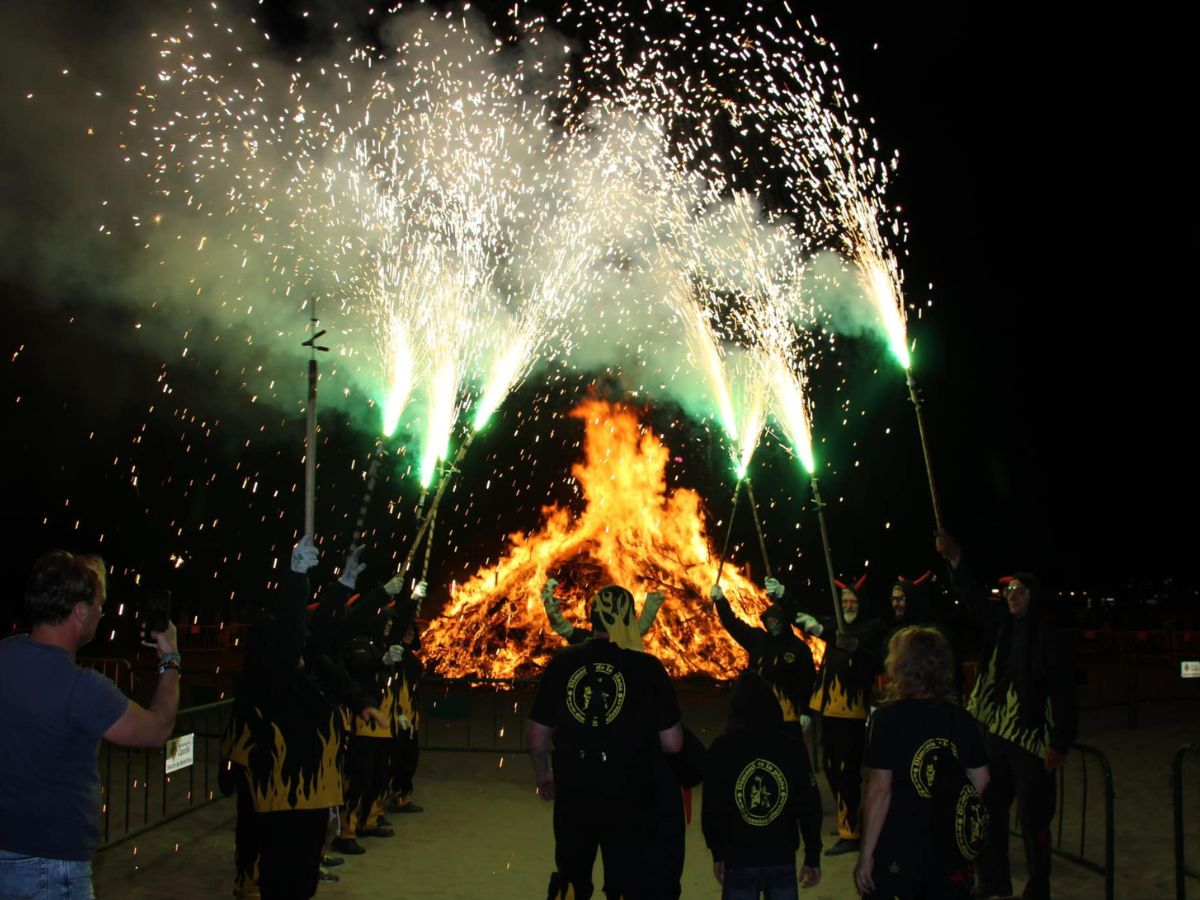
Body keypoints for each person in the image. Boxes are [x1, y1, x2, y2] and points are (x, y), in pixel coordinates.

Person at [0, 551, 180, 899]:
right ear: (79, 612)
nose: (102, 613)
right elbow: (157, 730)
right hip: (51, 866)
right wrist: (170, 657)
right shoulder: (82, 687)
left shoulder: (4, 653)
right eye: (98, 604)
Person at [937, 534, 1078, 900]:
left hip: (1031, 742)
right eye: (1008, 590)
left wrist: (1059, 742)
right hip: (996, 736)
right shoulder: (1001, 627)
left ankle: (1038, 886)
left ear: (1034, 598)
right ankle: (995, 880)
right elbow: (972, 600)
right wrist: (956, 561)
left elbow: (1064, 694)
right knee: (988, 811)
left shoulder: (1050, 639)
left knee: (1034, 821)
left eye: (1019, 591)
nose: (1011, 595)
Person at [527, 583, 684, 900]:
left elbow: (536, 735)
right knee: (625, 878)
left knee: (571, 876)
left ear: (592, 616)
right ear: (629, 618)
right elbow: (673, 744)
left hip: (574, 786)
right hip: (629, 790)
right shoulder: (647, 667)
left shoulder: (563, 661)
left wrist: (544, 773)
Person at [221, 536, 348, 900]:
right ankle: (248, 880)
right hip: (275, 785)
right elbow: (295, 634)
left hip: (310, 793)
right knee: (263, 846)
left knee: (301, 870)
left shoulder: (308, 673)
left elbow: (321, 629)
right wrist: (296, 579)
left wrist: (345, 587)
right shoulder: (270, 678)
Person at [854, 626, 989, 899]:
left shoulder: (886, 719)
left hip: (900, 845)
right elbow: (982, 778)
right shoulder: (961, 718)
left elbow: (881, 790)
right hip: (947, 847)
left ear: (900, 665)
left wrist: (866, 855)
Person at [703, 670, 822, 900]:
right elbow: (809, 805)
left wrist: (718, 853)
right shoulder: (792, 748)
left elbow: (711, 808)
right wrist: (812, 855)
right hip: (781, 857)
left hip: (739, 859)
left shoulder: (722, 748)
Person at [794, 581, 885, 855]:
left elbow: (849, 640)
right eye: (844, 601)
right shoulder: (835, 625)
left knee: (847, 772)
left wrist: (825, 631)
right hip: (829, 711)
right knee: (831, 769)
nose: (848, 605)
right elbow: (809, 619)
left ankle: (852, 833)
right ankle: (850, 822)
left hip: (851, 715)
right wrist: (783, 596)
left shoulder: (870, 628)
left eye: (852, 601)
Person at [709, 579, 816, 730]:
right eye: (770, 622)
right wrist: (720, 601)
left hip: (788, 719)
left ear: (785, 622)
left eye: (777, 621)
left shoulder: (799, 648)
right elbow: (733, 624)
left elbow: (807, 681)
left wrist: (806, 711)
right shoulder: (758, 639)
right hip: (757, 717)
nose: (774, 625)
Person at [542, 577, 665, 646]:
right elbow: (641, 627)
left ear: (593, 615)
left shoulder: (580, 642)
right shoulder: (631, 646)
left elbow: (561, 626)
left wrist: (549, 597)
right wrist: (653, 601)